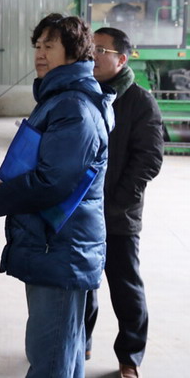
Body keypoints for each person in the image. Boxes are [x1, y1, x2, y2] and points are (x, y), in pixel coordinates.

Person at [0, 14, 114, 378]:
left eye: (49, 46)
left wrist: (5, 194)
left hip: (60, 247)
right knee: (64, 350)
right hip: (56, 245)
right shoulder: (60, 98)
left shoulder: (73, 105)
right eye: (37, 46)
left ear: (73, 52)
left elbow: (54, 181)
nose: (40, 54)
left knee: (51, 357)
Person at [85, 27, 163, 378]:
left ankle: (129, 357)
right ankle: (81, 342)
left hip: (118, 215)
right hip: (84, 212)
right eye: (91, 48)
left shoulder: (139, 101)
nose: (94, 55)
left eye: (101, 50)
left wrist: (117, 202)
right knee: (83, 283)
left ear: (122, 58)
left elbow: (149, 159)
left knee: (125, 287)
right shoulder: (86, 94)